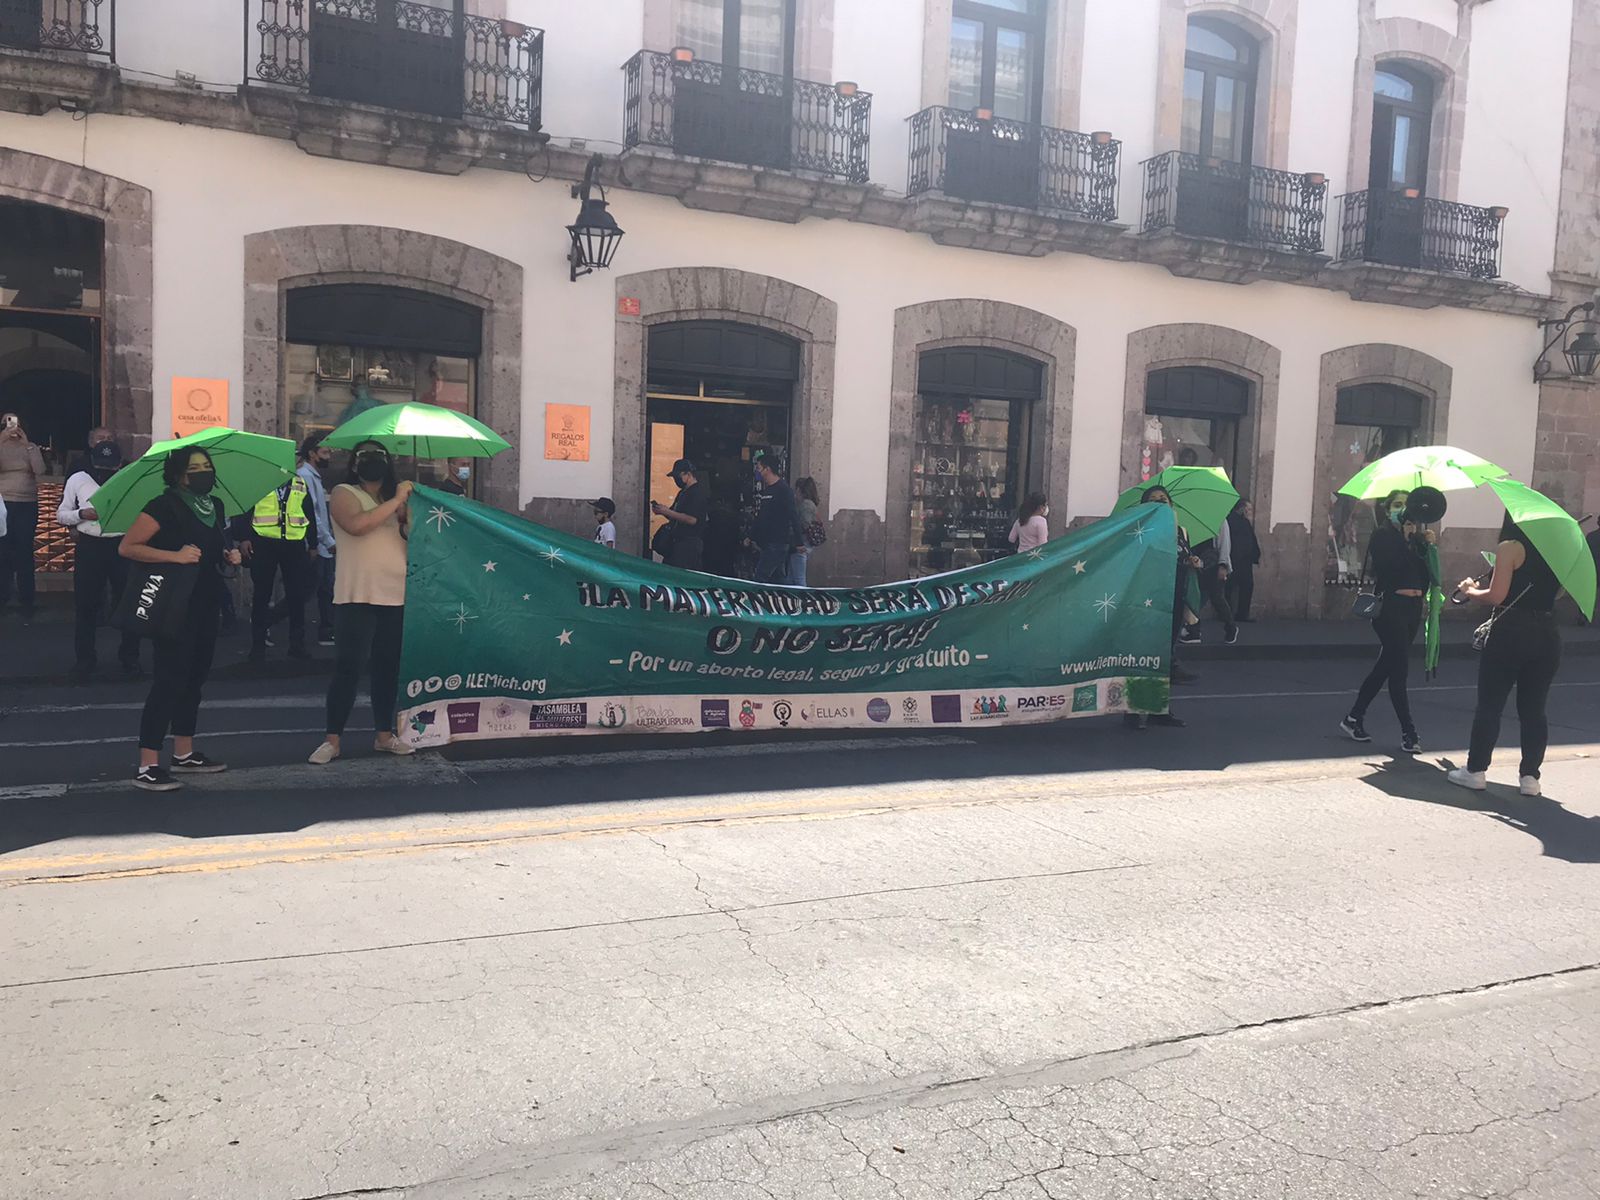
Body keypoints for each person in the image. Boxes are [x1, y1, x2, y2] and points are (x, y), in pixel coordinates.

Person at [121, 447, 241, 791]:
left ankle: (184, 753)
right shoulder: (163, 505)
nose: (203, 472)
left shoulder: (214, 505)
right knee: (169, 679)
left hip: (206, 601)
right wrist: (174, 556)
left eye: (207, 466)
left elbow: (211, 547)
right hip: (174, 603)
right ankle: (147, 763)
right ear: (178, 475)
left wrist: (228, 555)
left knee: (194, 678)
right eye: (195, 468)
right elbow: (129, 546)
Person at [307, 441, 416, 765]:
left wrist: (406, 516)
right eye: (365, 456)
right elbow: (356, 525)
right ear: (354, 464)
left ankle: (384, 735)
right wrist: (395, 502)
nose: (372, 461)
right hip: (356, 595)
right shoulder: (344, 493)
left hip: (394, 594)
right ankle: (332, 740)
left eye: (378, 456)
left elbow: (415, 539)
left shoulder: (398, 501)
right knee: (348, 668)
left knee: (387, 669)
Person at [1449, 512, 1565, 795]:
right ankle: (1530, 778)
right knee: (1534, 708)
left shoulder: (1510, 547)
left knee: (1491, 703)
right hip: (1547, 632)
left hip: (1511, 631)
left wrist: (1471, 590)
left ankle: (1476, 770)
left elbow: (1497, 596)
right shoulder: (1557, 550)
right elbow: (1558, 593)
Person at [1340, 490, 1431, 754]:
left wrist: (1426, 548)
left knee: (1386, 666)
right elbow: (1391, 569)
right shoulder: (1382, 536)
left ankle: (1354, 717)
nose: (1402, 509)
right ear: (1388, 509)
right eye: (1397, 505)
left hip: (1412, 609)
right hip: (1390, 608)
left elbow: (1425, 578)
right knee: (1399, 670)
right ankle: (1409, 733)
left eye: (1406, 505)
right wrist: (1406, 541)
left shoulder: (1415, 539)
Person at [57, 432, 142, 682]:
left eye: (111, 466)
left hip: (121, 544)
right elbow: (61, 513)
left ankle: (130, 657)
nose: (106, 471)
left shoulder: (129, 478)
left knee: (128, 603)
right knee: (86, 605)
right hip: (90, 545)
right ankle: (85, 660)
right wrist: (81, 514)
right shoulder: (78, 478)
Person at [1126, 485, 1199, 730]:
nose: (1159, 502)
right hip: (1147, 598)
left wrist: (1193, 561)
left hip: (1174, 597)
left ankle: (1159, 709)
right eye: (1153, 499)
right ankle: (1133, 710)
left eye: (1163, 499)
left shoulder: (1181, 531)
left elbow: (1184, 556)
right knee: (1142, 655)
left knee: (1164, 655)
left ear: (1171, 505)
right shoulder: (1141, 530)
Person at [239, 450, 318, 663]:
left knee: (296, 595)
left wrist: (313, 544)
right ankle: (258, 646)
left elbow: (309, 513)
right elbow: (245, 510)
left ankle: (297, 644)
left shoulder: (299, 482)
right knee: (261, 594)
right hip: (263, 542)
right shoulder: (259, 482)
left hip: (294, 543)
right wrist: (244, 538)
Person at [0, 411, 45, 620]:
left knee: (25, 551)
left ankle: (27, 599)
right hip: (3, 502)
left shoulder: (31, 446)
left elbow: (40, 469)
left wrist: (27, 445)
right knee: (3, 552)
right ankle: (3, 597)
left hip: (27, 503)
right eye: (6, 422)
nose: (11, 426)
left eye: (14, 422)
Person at [298, 434, 337, 646]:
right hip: (315, 544)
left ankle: (327, 629)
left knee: (324, 588)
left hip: (319, 542)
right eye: (324, 452)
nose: (328, 456)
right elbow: (312, 514)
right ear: (312, 454)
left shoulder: (312, 476)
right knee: (310, 589)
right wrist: (327, 540)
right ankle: (267, 621)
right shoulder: (305, 476)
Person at [747, 454, 803, 584]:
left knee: (761, 576)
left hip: (778, 542)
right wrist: (751, 536)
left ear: (767, 469)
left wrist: (799, 541)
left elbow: (793, 515)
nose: (758, 472)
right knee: (778, 578)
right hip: (768, 542)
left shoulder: (784, 490)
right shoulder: (767, 491)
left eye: (759, 468)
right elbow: (761, 516)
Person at [651, 459, 708, 571]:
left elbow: (692, 519)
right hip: (675, 543)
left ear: (688, 474)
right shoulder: (682, 492)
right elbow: (675, 514)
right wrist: (662, 511)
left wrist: (667, 512)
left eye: (678, 476)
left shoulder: (697, 493)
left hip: (688, 544)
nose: (675, 480)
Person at [1226, 499, 1262, 622]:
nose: (1250, 512)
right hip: (1235, 559)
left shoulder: (1244, 522)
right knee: (1229, 587)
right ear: (1242, 508)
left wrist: (1255, 554)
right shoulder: (1231, 521)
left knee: (1246, 587)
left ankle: (1241, 614)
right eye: (1248, 509)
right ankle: (1228, 614)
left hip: (1245, 560)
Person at [790, 476, 821, 585]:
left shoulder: (805, 505)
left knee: (799, 578)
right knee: (794, 576)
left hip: (802, 544)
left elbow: (805, 524)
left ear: (799, 490)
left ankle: (803, 595)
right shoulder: (810, 504)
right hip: (804, 544)